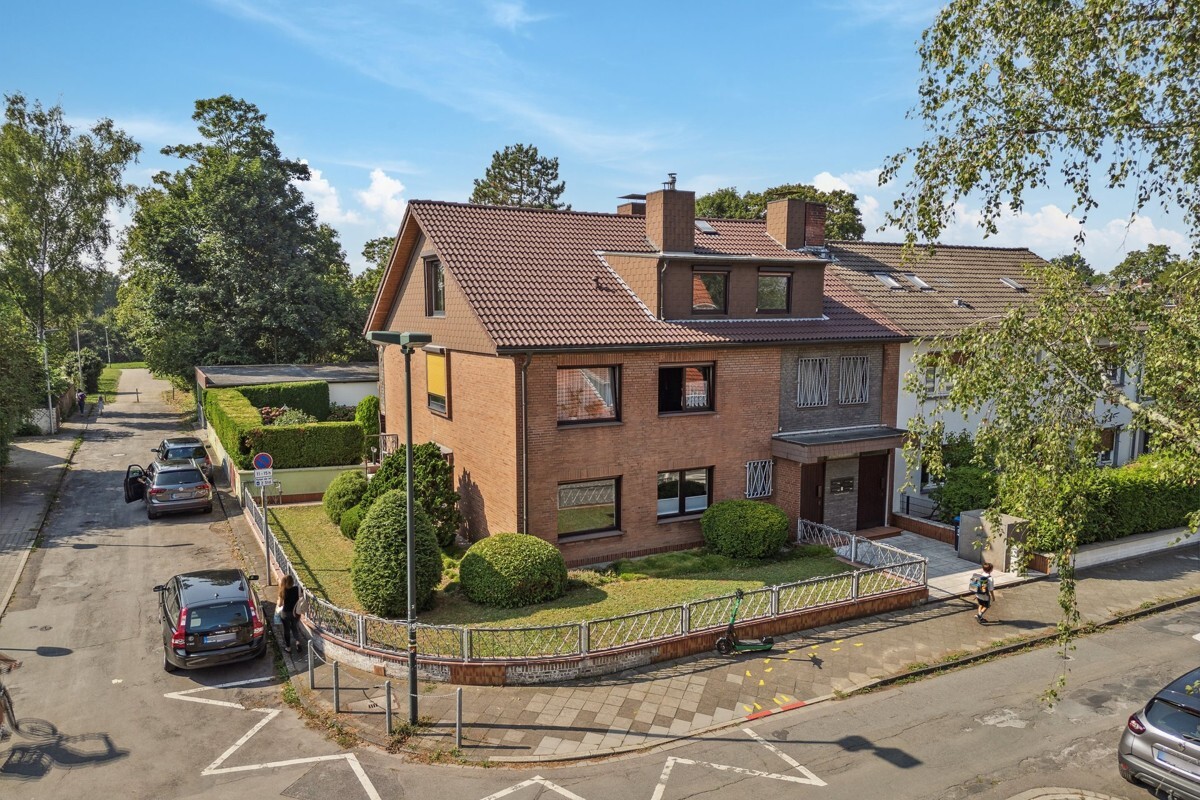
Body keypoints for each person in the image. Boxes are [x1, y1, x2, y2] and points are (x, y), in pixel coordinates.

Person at [277, 574, 302, 654]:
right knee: (294, 627)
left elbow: (280, 605)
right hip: (295, 612)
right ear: (292, 582)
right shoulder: (297, 589)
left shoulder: (283, 591)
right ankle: (297, 642)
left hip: (286, 613)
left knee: (286, 630)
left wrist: (279, 600)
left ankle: (288, 647)